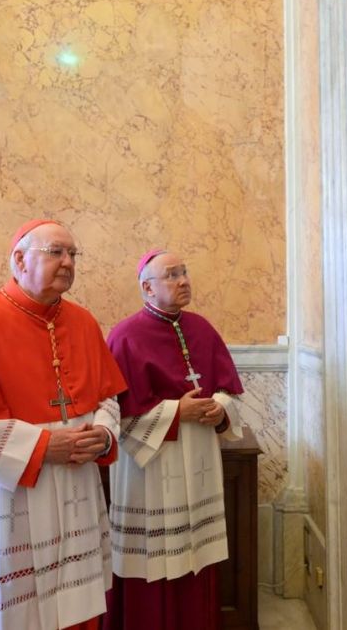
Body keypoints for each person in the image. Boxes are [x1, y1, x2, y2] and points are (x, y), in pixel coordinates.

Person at [0, 219, 126, 630]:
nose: (67, 262)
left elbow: (108, 397)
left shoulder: (83, 322)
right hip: (10, 496)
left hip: (77, 486)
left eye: (73, 254)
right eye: (55, 251)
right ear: (20, 259)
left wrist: (103, 431)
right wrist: (42, 448)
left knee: (77, 606)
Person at [103, 248, 244, 630]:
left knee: (196, 556)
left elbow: (229, 391)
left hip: (199, 457)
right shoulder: (125, 336)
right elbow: (118, 418)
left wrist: (219, 408)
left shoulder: (202, 328)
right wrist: (177, 412)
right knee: (152, 560)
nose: (183, 280)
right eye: (171, 275)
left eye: (184, 272)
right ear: (147, 288)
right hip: (151, 468)